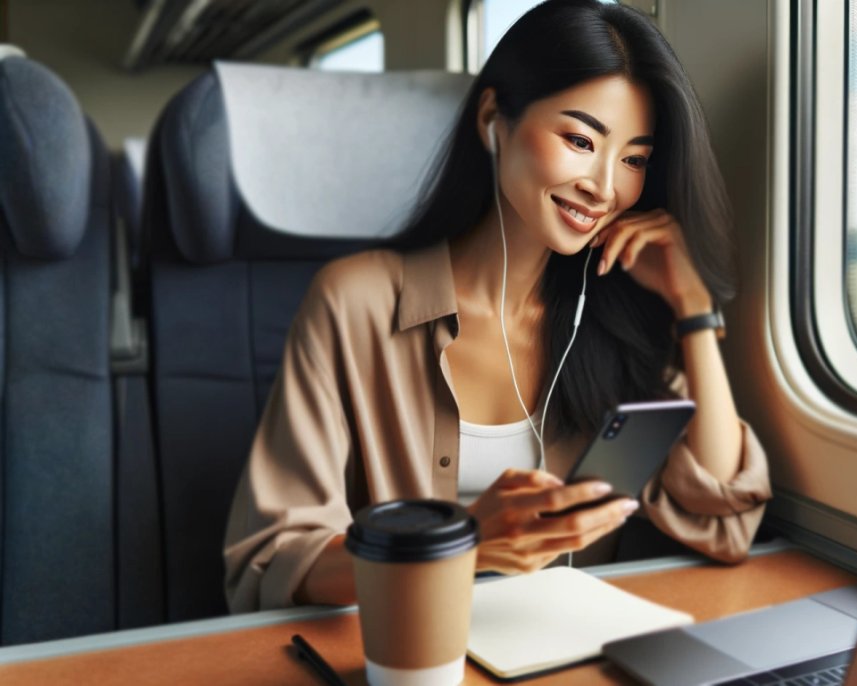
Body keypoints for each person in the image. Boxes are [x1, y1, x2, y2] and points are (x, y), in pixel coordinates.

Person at [224, 0, 771, 613]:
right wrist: (466, 543)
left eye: (634, 159)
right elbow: (273, 561)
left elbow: (722, 517)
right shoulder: (356, 302)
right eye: (580, 139)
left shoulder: (617, 315)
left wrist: (693, 310)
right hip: (412, 655)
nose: (604, 185)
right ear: (493, 118)